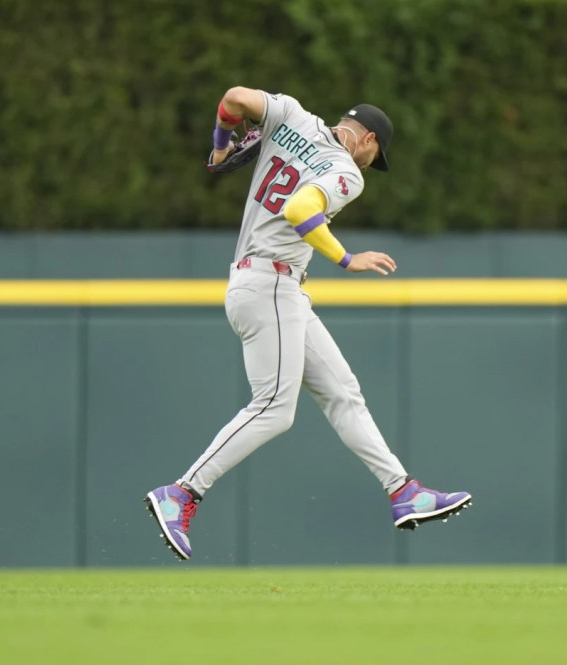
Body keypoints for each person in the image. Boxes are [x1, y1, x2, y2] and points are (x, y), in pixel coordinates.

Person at [145, 88, 472, 560]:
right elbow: (300, 210)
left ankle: (402, 490)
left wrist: (220, 143)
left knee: (343, 392)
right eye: (375, 156)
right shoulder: (345, 171)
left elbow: (234, 98)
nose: (368, 167)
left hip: (270, 286)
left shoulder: (293, 116)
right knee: (275, 408)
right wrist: (346, 258)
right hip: (270, 286)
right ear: (369, 141)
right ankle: (183, 492)